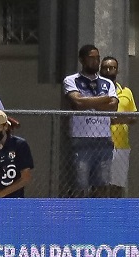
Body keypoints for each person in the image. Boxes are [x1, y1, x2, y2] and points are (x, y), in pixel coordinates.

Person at [63, 44, 118, 198]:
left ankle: (98, 218)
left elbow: (113, 106)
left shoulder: (107, 83)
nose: (96, 61)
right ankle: (81, 218)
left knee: (102, 184)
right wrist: (103, 99)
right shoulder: (71, 80)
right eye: (91, 58)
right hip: (81, 140)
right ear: (82, 59)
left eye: (98, 58)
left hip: (103, 140)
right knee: (81, 184)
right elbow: (77, 103)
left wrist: (88, 101)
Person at [99, 56, 137, 198]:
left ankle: (116, 217)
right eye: (105, 68)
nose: (109, 70)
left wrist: (117, 120)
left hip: (121, 146)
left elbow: (134, 116)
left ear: (117, 70)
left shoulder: (126, 92)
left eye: (112, 67)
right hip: (99, 144)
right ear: (100, 69)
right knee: (100, 185)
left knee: (117, 186)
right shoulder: (96, 91)